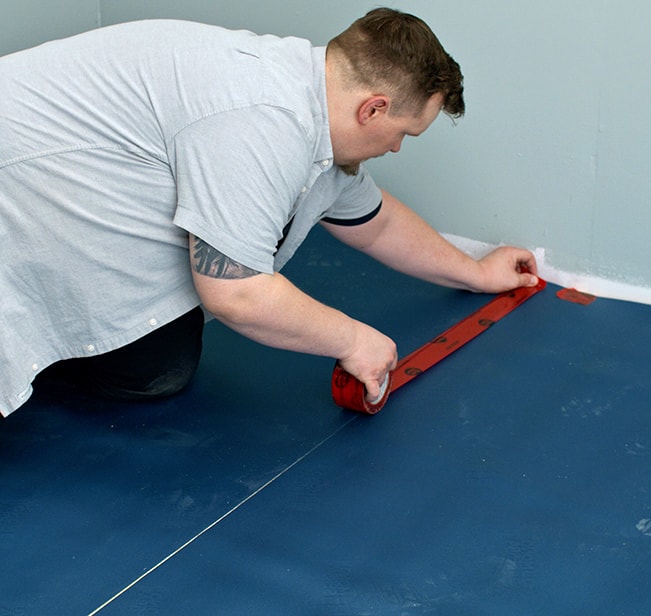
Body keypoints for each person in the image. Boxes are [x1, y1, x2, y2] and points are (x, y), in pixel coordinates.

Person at [0, 8, 538, 417]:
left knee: (159, 364)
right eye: (403, 133)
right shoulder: (261, 118)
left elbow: (376, 221)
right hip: (18, 179)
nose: (397, 148)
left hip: (70, 180)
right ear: (373, 107)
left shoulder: (310, 105)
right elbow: (237, 294)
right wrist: (355, 340)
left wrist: (475, 270)